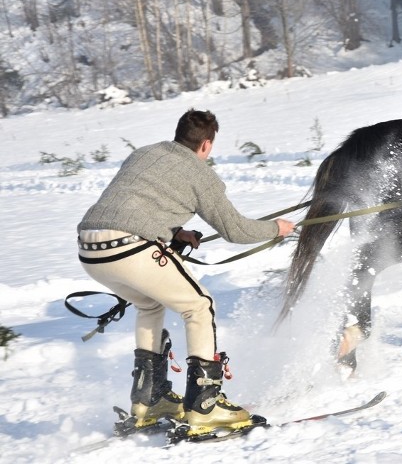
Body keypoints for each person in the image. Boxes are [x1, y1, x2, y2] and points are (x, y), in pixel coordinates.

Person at [77, 109, 294, 433]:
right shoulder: (200, 173)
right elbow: (235, 229)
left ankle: (148, 400)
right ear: (206, 145)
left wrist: (176, 231)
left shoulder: (145, 153)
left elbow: (135, 202)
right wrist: (276, 228)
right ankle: (204, 405)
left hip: (90, 248)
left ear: (179, 134)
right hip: (129, 247)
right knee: (199, 305)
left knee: (149, 304)